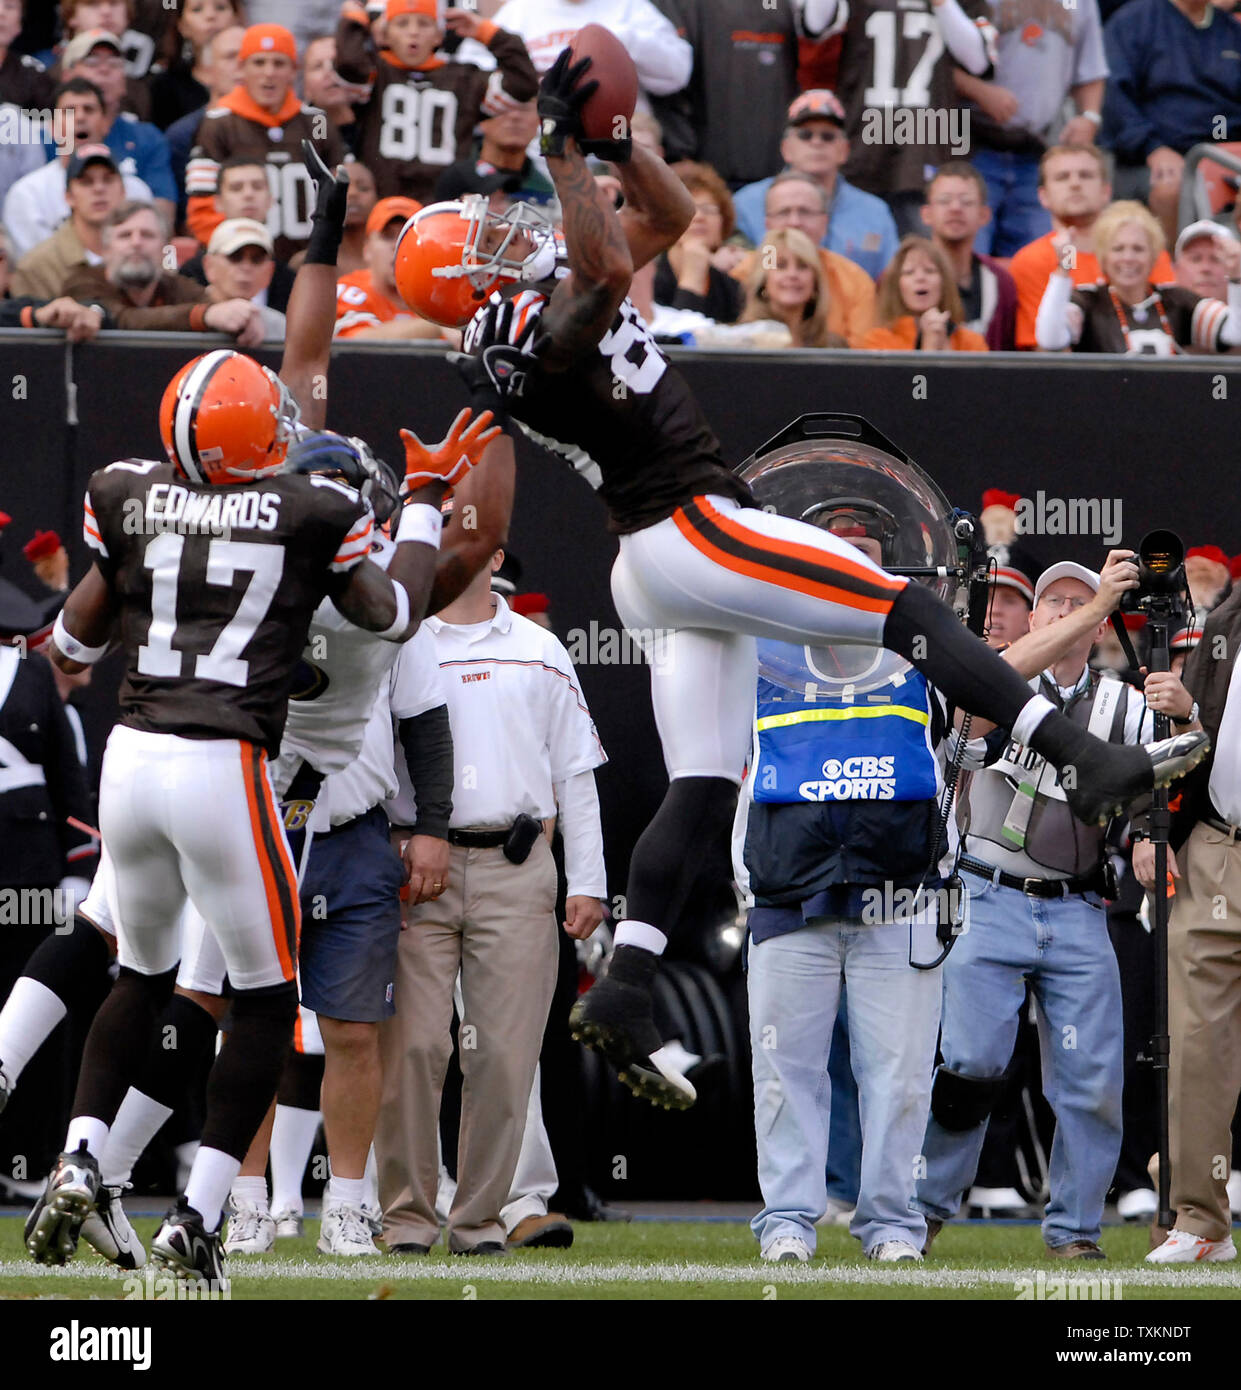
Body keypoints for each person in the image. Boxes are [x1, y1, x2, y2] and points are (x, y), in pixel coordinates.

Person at [394, 53, 1208, 1107]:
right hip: (690, 525)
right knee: (904, 607)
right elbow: (597, 276)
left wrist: (609, 142)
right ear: (470, 283)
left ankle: (628, 983)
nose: (513, 238)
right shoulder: (522, 330)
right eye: (488, 243)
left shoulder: (544, 299)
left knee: (700, 775)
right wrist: (558, 145)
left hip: (658, 554)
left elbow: (675, 213)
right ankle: (1084, 763)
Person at [21, 141, 506, 1282]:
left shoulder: (146, 494)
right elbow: (396, 604)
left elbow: (73, 640)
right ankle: (197, 1214)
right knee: (260, 1000)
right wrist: (430, 493)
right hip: (248, 781)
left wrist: (321, 234)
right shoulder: (324, 529)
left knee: (144, 976)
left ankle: (87, 1154)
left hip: (137, 751)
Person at [916, 554, 1198, 1260]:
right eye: (1056, 601)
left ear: (1101, 623)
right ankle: (919, 1212)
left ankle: (1073, 1230)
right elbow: (969, 734)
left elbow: (1167, 780)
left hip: (1075, 906)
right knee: (969, 1066)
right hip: (988, 892)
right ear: (1037, 617)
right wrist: (1097, 600)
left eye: (1085, 601)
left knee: (1090, 1080)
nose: (1070, 611)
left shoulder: (1124, 703)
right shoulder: (991, 679)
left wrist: (1180, 726)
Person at [738, 501, 956, 1264]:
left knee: (898, 1078)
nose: (847, 565)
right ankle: (789, 1221)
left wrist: (1093, 610)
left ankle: (891, 1223)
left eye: (862, 553)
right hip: (787, 897)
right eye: (832, 552)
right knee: (784, 1072)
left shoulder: (924, 655)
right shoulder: (756, 653)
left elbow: (1007, 678)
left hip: (898, 900)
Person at [375, 547, 607, 1255]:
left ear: (498, 552)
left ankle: (479, 1221)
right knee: (414, 1047)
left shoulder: (539, 650)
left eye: (465, 532)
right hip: (418, 866)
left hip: (517, 868)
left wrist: (590, 880)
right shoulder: (397, 644)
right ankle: (406, 1220)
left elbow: (575, 771)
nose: (448, 547)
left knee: (504, 1057)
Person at [1132, 579, 1241, 1263]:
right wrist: (1155, 830)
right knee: (1194, 1048)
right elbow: (1188, 741)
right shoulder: (1227, 618)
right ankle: (1198, 1221)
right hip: (1216, 843)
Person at [806, 0, 998, 234]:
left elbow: (979, 61)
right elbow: (814, 24)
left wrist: (943, 4)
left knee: (924, 262)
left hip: (926, 150)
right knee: (859, 260)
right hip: (863, 146)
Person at [334, 0, 539, 205]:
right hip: (385, 204)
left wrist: (485, 31)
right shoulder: (375, 73)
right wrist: (355, 21)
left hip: (444, 203)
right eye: (402, 23)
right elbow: (348, 64)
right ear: (384, 34)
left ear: (439, 35)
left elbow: (522, 84)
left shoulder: (465, 78)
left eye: (424, 24)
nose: (413, 32)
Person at [954, 0, 1106, 258]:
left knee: (1039, 262)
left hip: (1037, 152)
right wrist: (978, 91)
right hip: (971, 147)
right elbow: (932, 59)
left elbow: (1091, 69)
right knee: (966, 262)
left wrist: (1090, 117)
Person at [187, 22, 346, 261]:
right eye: (259, 62)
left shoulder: (317, 122)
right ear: (241, 68)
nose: (269, 73)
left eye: (279, 63)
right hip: (244, 262)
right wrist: (237, 258)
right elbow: (202, 207)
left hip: (308, 260)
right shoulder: (218, 123)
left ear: (294, 70)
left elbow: (343, 195)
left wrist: (321, 253)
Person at [651, 0, 834, 188]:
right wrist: (680, 152)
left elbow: (817, 30)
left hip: (777, 166)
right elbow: (664, 79)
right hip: (704, 172)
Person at [1101, 0, 1241, 246]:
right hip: (1150, 157)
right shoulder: (1134, 21)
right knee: (1171, 188)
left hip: (1223, 153)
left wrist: (1226, 147)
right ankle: (1172, 274)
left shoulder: (1230, 30)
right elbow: (1113, 96)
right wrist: (1152, 148)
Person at [1008, 144, 1175, 349]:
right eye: (1062, 177)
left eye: (1085, 175)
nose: (1075, 184)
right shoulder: (1032, 261)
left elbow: (1170, 327)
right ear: (1043, 196)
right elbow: (1045, 352)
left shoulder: (1143, 251)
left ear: (1106, 191)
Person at [1035, 200, 1241, 355]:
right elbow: (1050, 338)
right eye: (1118, 249)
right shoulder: (1088, 301)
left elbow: (1236, 332)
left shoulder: (1176, 301)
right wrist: (1063, 268)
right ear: (1103, 258)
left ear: (1153, 257)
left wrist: (1236, 277)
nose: (1128, 258)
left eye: (1138, 249)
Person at [732, 90, 899, 280]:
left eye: (827, 136)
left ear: (844, 150)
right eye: (805, 135)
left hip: (852, 307)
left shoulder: (875, 213)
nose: (817, 142)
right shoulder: (744, 204)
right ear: (786, 148)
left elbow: (890, 285)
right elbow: (735, 271)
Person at [63, 199, 263, 338]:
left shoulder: (177, 286)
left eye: (147, 235)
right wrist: (203, 316)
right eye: (125, 235)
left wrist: (243, 323)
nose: (136, 243)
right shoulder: (82, 283)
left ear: (165, 248)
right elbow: (122, 320)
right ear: (105, 249)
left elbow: (212, 308)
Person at [2, 77, 151, 260]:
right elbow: (35, 267)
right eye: (69, 111)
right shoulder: (27, 194)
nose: (80, 118)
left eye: (89, 109)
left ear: (105, 124)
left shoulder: (137, 190)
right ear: (52, 127)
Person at [730, 173, 877, 344]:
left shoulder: (854, 279)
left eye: (805, 212)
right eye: (784, 212)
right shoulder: (740, 273)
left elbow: (861, 355)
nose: (795, 222)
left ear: (824, 223)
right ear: (767, 224)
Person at [60, 29, 175, 224]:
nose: (104, 70)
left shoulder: (147, 138)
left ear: (124, 80)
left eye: (114, 63)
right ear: (67, 75)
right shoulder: (44, 136)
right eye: (92, 62)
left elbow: (162, 218)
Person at [178, 157, 297, 313]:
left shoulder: (288, 280)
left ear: (270, 200)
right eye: (236, 188)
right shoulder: (191, 275)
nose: (248, 195)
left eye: (257, 186)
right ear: (217, 202)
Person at [919, 161, 1017, 351]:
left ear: (984, 215)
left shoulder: (1001, 283)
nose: (955, 208)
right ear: (926, 214)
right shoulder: (899, 278)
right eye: (944, 200)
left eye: (967, 201)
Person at [10, 144, 123, 301]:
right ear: (68, 196)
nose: (99, 189)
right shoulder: (37, 267)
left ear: (123, 191)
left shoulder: (144, 252)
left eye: (108, 179)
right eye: (86, 182)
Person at [334, 195, 447, 341]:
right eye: (387, 236)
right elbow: (357, 344)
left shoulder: (443, 298)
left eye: (408, 236)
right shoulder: (349, 290)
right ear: (367, 249)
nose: (398, 245)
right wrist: (438, 326)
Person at [163, 24, 245, 219]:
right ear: (206, 72)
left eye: (250, 58)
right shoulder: (182, 134)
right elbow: (184, 218)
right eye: (230, 57)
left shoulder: (278, 126)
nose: (242, 65)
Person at [859, 235, 989, 352]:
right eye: (909, 272)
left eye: (930, 271)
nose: (920, 278)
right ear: (896, 285)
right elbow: (914, 379)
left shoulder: (972, 343)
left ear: (944, 283)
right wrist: (929, 349)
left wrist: (946, 349)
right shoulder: (877, 341)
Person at [653, 162, 742, 323]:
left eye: (709, 210)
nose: (700, 217)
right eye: (689, 209)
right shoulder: (649, 279)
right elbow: (675, 341)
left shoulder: (732, 288)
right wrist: (692, 277)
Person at [435, 100, 555, 212]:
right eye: (503, 106)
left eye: (524, 108)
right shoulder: (453, 175)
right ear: (481, 117)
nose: (515, 116)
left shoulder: (550, 188)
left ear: (539, 120)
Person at [738, 227, 846, 348]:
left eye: (802, 266)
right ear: (763, 281)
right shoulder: (740, 343)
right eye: (781, 266)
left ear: (815, 283)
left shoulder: (834, 347)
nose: (792, 274)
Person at [147, 0, 245, 131]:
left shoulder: (258, 75)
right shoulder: (164, 86)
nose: (211, 16)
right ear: (182, 26)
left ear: (236, 18)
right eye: (197, 9)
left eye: (220, 7)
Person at [203, 217, 286, 341]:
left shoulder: (280, 327)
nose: (246, 267)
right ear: (209, 265)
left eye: (257, 259)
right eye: (235, 257)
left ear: (270, 271)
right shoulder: (182, 316)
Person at [1173, 220, 1239, 309]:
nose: (1206, 268)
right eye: (1195, 259)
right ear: (1176, 269)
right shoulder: (1158, 314)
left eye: (1215, 259)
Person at [0, 0, 52, 109]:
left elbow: (58, 123)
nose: (1, 12)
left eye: (9, 6)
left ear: (19, 25)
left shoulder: (33, 74)